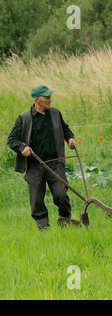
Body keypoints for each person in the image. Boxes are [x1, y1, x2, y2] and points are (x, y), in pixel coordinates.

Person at [7, 85, 79, 230]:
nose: (50, 100)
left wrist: (70, 138)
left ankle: (65, 222)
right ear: (37, 99)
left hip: (55, 162)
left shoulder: (55, 113)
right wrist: (23, 147)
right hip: (34, 164)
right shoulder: (24, 118)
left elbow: (65, 128)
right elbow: (11, 140)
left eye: (50, 97)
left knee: (61, 194)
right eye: (47, 98)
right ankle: (43, 229)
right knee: (36, 199)